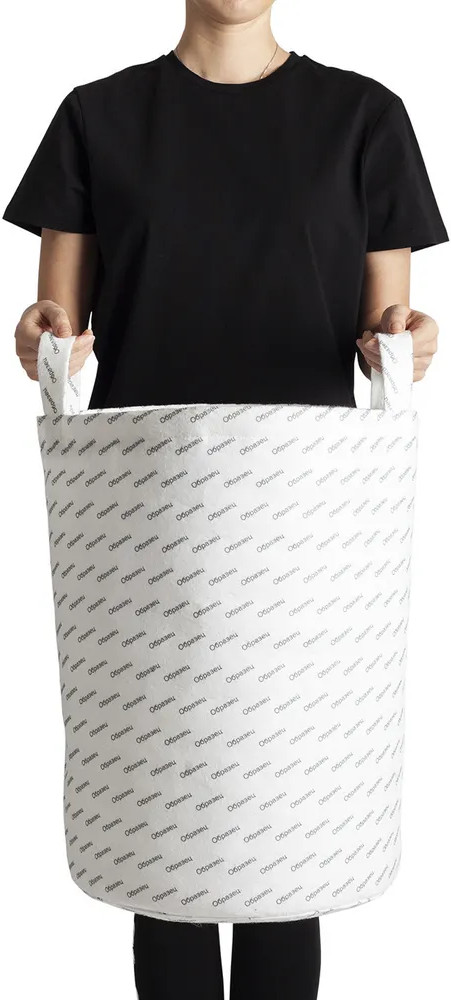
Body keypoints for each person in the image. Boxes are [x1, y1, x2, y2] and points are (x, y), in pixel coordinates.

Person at [2, 2, 448, 998]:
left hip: (305, 529)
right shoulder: (96, 118)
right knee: (162, 840)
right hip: (144, 522)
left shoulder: (363, 118)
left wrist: (410, 341)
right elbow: (54, 327)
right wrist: (39, 338)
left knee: (289, 838)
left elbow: (390, 326)